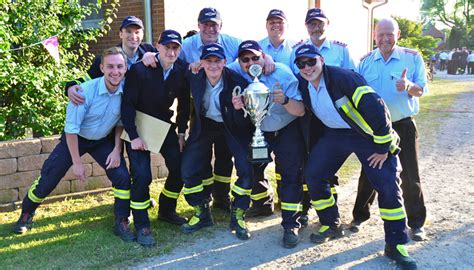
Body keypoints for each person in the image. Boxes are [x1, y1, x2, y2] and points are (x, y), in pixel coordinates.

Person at [295, 44, 416, 269]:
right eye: (301, 64)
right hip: (335, 133)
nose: (307, 67)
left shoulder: (344, 78)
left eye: (311, 61)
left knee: (388, 184)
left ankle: (396, 244)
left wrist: (382, 147)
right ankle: (331, 223)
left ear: (321, 60)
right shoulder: (303, 82)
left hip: (366, 135)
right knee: (314, 174)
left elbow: (377, 107)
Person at [13, 47, 135, 242]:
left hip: (103, 141)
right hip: (76, 139)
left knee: (121, 175)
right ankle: (26, 213)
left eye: (120, 66)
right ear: (102, 68)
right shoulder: (83, 92)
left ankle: (122, 220)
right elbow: (71, 130)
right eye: (110, 66)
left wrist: (116, 149)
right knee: (50, 176)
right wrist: (77, 163)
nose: (115, 71)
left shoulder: (126, 92)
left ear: (126, 68)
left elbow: (121, 122)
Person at [350, 18, 428, 243]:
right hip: (374, 128)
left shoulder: (412, 58)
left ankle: (416, 223)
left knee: (409, 174)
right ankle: (359, 217)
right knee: (369, 172)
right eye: (381, 34)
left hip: (403, 124)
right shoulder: (365, 62)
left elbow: (421, 90)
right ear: (374, 35)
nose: (385, 39)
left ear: (398, 34)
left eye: (389, 34)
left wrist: (409, 87)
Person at [228, 40, 306, 248]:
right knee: (251, 168)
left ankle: (291, 224)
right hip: (260, 130)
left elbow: (300, 110)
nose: (251, 62)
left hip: (287, 129)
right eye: (245, 59)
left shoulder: (282, 73)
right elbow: (214, 66)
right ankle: (261, 206)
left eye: (256, 57)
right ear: (239, 62)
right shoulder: (238, 71)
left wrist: (286, 100)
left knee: (289, 174)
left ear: (264, 56)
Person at [121, 30, 190, 247]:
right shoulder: (140, 70)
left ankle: (167, 209)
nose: (171, 51)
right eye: (167, 46)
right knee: (142, 175)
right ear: (157, 47)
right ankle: (142, 225)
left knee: (180, 167)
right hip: (138, 127)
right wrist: (133, 136)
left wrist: (181, 133)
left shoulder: (181, 71)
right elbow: (127, 105)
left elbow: (185, 105)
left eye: (175, 48)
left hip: (163, 127)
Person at [180, 43, 254, 240]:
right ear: (201, 62)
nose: (213, 65)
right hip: (204, 126)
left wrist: (240, 109)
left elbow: (247, 120)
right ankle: (201, 211)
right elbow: (173, 64)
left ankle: (238, 212)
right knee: (187, 169)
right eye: (208, 61)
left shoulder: (237, 81)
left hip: (232, 127)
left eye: (217, 61)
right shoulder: (194, 75)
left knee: (247, 168)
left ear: (225, 62)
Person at [65, 16, 157, 104]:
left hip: (146, 111)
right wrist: (71, 86)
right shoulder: (109, 58)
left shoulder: (148, 50)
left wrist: (155, 55)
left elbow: (168, 58)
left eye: (137, 32)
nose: (133, 36)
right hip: (119, 111)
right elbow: (87, 79)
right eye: (128, 32)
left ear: (142, 35)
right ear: (120, 34)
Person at [289, 8, 356, 75]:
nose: (316, 29)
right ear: (306, 26)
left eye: (320, 24)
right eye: (312, 24)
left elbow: (352, 77)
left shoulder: (341, 50)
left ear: (328, 24)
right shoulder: (296, 50)